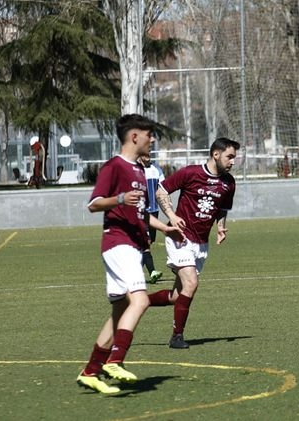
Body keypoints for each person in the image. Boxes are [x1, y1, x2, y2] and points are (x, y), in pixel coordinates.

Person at [76, 114, 182, 395]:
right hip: (118, 243)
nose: (152, 139)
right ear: (134, 136)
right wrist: (120, 199)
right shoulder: (115, 166)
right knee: (140, 300)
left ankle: (90, 372)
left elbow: (141, 214)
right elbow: (94, 204)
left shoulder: (140, 171)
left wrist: (165, 228)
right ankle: (115, 360)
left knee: (120, 313)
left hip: (133, 246)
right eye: (149, 134)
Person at [149, 137, 239, 349]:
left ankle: (138, 301)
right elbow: (161, 190)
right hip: (180, 237)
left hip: (201, 244)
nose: (233, 161)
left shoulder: (229, 183)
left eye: (234, 157)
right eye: (229, 157)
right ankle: (177, 337)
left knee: (177, 296)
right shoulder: (190, 173)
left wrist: (221, 227)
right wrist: (171, 215)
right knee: (191, 283)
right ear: (216, 154)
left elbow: (222, 208)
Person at [139, 153, 164, 283]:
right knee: (146, 243)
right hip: (142, 212)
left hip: (154, 212)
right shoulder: (135, 170)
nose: (148, 155)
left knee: (148, 243)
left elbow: (162, 190)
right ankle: (152, 271)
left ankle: (134, 274)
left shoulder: (157, 169)